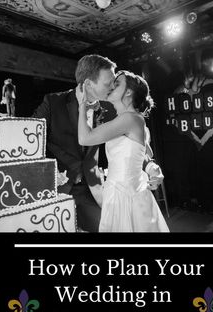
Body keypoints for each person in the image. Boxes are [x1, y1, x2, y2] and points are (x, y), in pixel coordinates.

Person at [32, 54, 164, 232]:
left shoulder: (113, 108)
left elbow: (133, 146)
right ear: (88, 84)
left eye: (115, 83)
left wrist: (150, 167)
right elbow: (30, 140)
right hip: (58, 189)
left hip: (94, 190)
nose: (112, 87)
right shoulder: (53, 102)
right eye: (108, 83)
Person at [77, 70, 170, 232]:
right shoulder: (133, 120)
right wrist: (154, 169)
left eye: (117, 83)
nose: (112, 86)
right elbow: (143, 155)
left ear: (128, 91)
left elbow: (85, 138)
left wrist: (82, 105)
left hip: (125, 198)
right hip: (118, 193)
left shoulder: (130, 119)